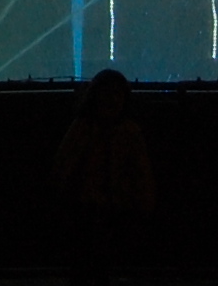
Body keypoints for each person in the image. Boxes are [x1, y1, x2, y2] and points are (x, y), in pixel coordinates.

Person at [53, 67, 156, 283]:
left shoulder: (115, 130)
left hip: (110, 211)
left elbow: (64, 166)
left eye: (116, 94)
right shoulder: (93, 129)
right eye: (107, 94)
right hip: (94, 210)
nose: (112, 100)